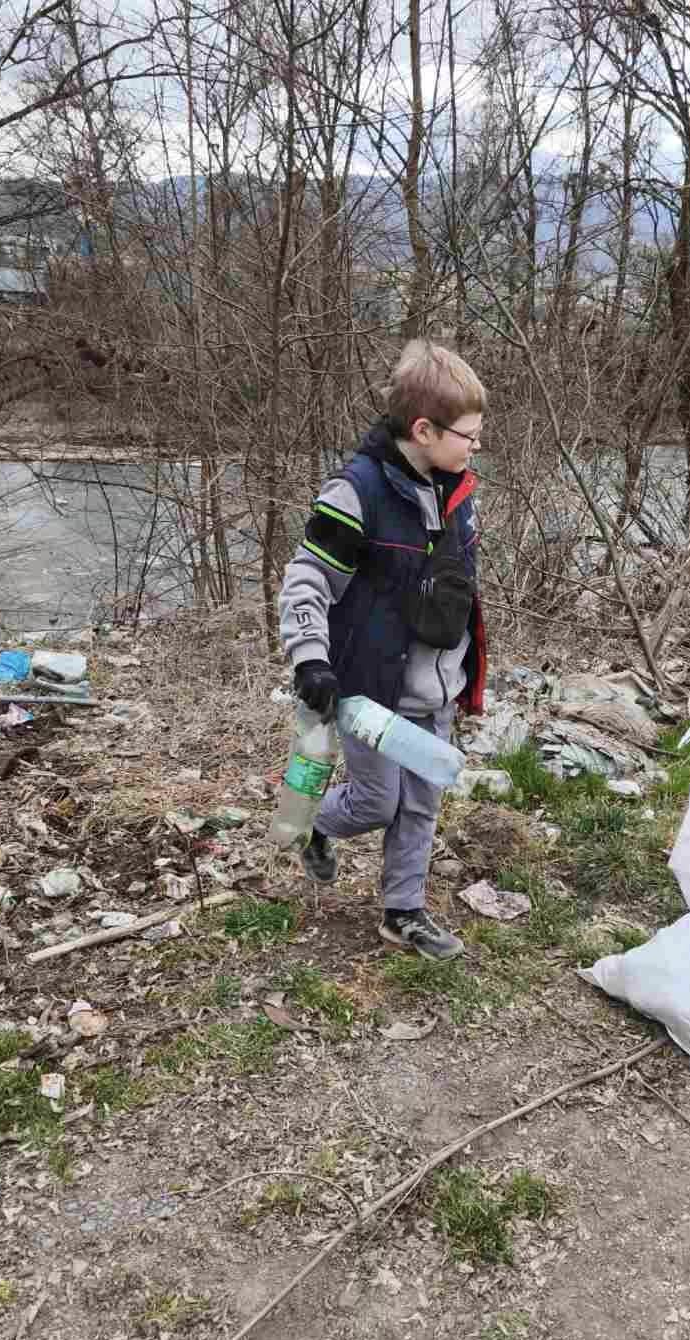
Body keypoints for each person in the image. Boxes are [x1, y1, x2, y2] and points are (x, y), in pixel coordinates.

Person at [277, 340, 487, 961]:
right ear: (424, 430)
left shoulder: (458, 493)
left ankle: (403, 914)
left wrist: (464, 672)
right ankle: (312, 823)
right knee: (377, 801)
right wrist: (310, 659)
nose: (475, 446)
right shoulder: (356, 493)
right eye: (468, 435)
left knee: (420, 805)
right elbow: (306, 580)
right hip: (370, 687)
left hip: (436, 688)